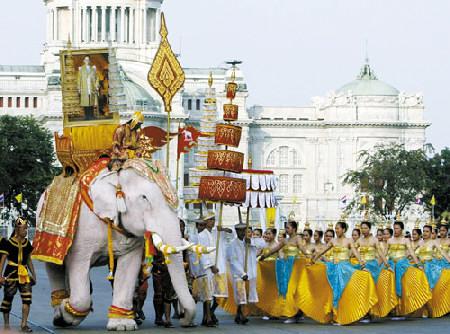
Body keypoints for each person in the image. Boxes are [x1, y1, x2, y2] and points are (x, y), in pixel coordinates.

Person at [307, 219, 378, 325]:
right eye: (335, 228)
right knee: (334, 291)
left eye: (338, 228)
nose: (336, 230)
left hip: (345, 268)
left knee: (344, 291)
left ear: (343, 229)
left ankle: (343, 315)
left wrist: (363, 265)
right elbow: (322, 251)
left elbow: (355, 252)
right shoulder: (333, 241)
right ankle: (334, 315)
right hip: (334, 268)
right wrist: (313, 260)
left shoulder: (349, 241)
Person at [386, 219, 431, 317]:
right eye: (394, 228)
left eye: (397, 228)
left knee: (412, 279)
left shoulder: (406, 240)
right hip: (391, 264)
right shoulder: (389, 240)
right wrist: (381, 265)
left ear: (401, 229)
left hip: (403, 264)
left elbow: (411, 252)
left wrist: (418, 264)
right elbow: (384, 254)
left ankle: (407, 308)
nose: (395, 230)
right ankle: (392, 308)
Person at [0, 217, 36, 332]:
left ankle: (24, 324)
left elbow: (29, 260)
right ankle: (6, 325)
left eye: (26, 229)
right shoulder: (8, 243)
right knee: (8, 299)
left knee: (27, 299)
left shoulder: (27, 244)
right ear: (17, 229)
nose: (26, 231)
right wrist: (0, 276)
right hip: (11, 274)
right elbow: (3, 260)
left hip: (24, 274)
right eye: (24, 229)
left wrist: (33, 274)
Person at [357, 220, 397, 318]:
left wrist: (387, 266)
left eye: (365, 228)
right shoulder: (359, 241)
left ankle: (371, 310)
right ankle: (361, 310)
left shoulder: (374, 240)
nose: (363, 230)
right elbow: (352, 252)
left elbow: (381, 253)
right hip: (361, 265)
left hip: (372, 265)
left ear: (369, 229)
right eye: (362, 228)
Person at [197, 212, 232, 327]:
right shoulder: (201, 235)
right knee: (208, 294)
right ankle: (207, 318)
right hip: (209, 268)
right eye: (210, 220)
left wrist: (224, 229)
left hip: (220, 266)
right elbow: (202, 253)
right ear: (206, 222)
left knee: (220, 294)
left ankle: (211, 313)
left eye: (213, 219)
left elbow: (232, 233)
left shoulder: (218, 232)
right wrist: (211, 266)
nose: (212, 222)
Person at [227, 224, 264, 324]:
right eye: (240, 231)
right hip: (238, 273)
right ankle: (242, 315)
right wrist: (242, 273)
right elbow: (233, 260)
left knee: (244, 294)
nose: (242, 233)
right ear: (236, 231)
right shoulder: (232, 244)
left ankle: (239, 314)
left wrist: (251, 242)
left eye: (244, 230)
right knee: (240, 293)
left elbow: (263, 244)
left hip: (250, 273)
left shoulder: (251, 241)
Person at [415, 224, 450, 318]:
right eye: (424, 231)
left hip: (430, 266)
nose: (425, 233)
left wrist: (449, 260)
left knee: (430, 287)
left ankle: (431, 310)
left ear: (431, 233)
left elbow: (442, 252)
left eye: (427, 231)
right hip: (419, 266)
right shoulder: (419, 243)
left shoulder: (434, 242)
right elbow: (411, 253)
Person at [152, 250, 177, 328]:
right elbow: (149, 256)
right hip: (157, 269)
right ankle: (158, 317)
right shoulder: (154, 240)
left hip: (170, 269)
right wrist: (150, 265)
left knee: (168, 295)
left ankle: (167, 319)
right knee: (158, 295)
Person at [77, 55, 99, 120]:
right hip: (84, 87)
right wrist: (79, 88)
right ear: (84, 61)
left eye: (88, 60)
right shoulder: (81, 69)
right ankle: (86, 116)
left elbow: (96, 78)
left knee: (91, 101)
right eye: (85, 60)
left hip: (91, 87)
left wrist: (96, 85)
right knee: (85, 102)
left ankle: (91, 115)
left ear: (89, 61)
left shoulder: (93, 69)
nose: (87, 61)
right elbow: (79, 79)